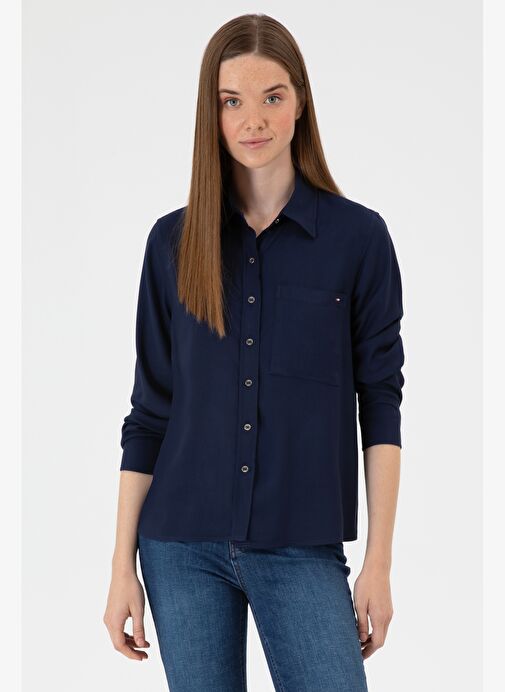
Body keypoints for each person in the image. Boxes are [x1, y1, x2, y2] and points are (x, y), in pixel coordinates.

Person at [103, 12, 405, 692]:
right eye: (231, 101)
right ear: (210, 115)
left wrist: (378, 563)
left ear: (300, 102)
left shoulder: (357, 240)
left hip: (300, 545)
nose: (253, 120)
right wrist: (122, 567)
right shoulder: (172, 244)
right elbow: (149, 412)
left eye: (272, 96)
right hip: (178, 547)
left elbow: (381, 404)